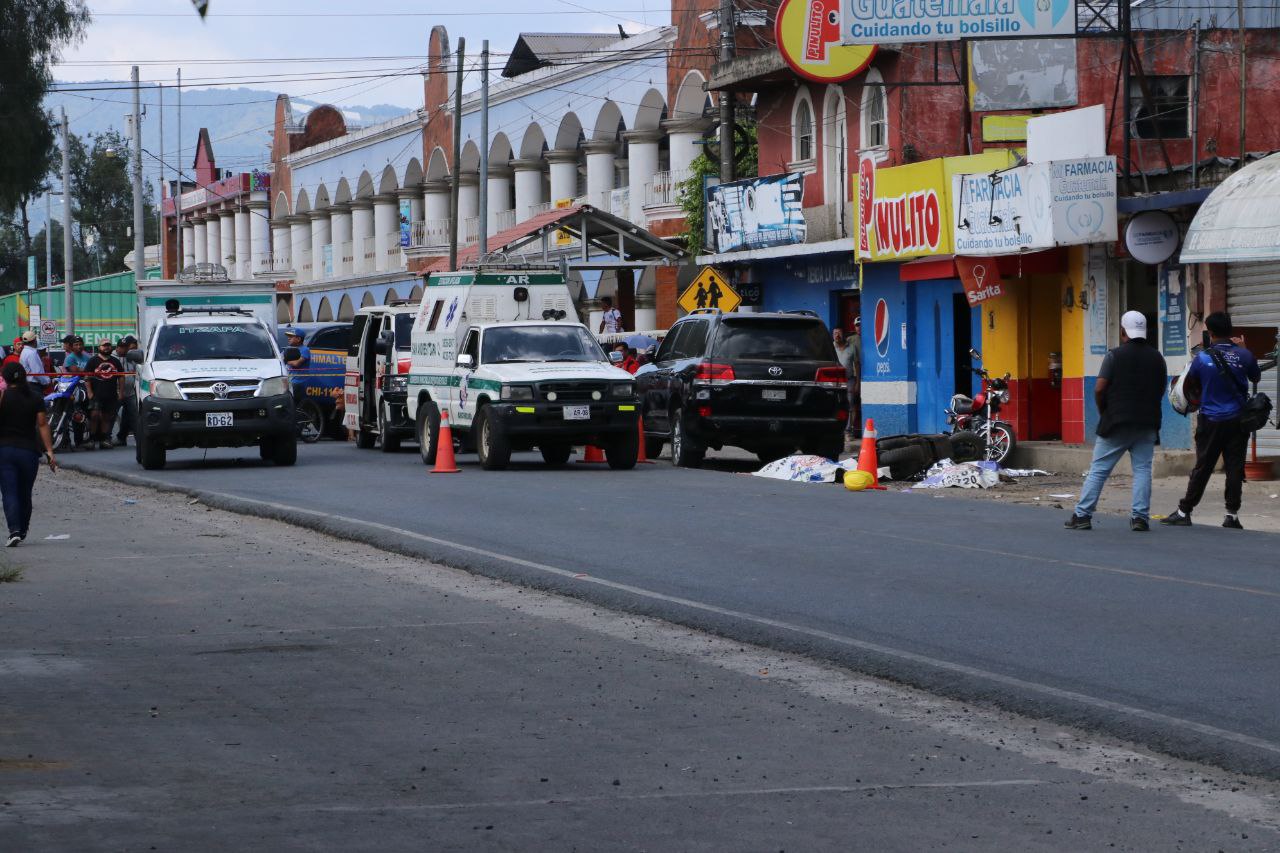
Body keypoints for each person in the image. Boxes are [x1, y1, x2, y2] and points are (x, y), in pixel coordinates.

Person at [1065, 311, 1168, 532]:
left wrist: (1105, 412)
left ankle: (1082, 515)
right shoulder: (1157, 357)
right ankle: (1140, 518)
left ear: (1123, 331)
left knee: (1099, 470)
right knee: (1142, 470)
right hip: (1147, 422)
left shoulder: (1114, 356)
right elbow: (1160, 389)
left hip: (1116, 422)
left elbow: (1100, 388)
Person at [1162, 311, 1261, 529]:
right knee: (1235, 467)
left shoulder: (1203, 358)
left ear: (1211, 333)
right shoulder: (1244, 356)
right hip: (1237, 422)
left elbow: (1190, 386)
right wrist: (1244, 350)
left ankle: (1184, 511)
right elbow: (1255, 376)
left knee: (1203, 466)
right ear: (1231, 330)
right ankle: (1232, 515)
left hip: (1211, 421)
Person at [0, 362, 58, 547]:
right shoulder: (35, 398)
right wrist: (49, 451)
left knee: (9, 491)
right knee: (25, 493)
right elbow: (42, 425)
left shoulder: (2, 396)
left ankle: (14, 530)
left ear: (5, 379)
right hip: (29, 451)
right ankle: (23, 530)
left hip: (4, 451)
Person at [84, 338, 123, 450]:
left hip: (110, 394)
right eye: (104, 345)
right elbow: (87, 377)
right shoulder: (92, 361)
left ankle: (104, 439)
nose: (106, 347)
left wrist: (120, 392)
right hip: (96, 394)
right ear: (99, 347)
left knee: (107, 417)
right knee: (94, 415)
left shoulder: (115, 361)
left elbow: (121, 377)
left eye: (108, 345)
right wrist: (89, 392)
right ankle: (91, 439)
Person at [834, 320, 863, 439]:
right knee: (835, 405)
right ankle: (836, 431)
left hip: (849, 380)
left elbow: (856, 365)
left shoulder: (851, 347)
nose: (837, 335)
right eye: (835, 333)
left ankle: (848, 431)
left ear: (843, 334)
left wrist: (857, 382)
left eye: (839, 333)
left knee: (850, 405)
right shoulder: (831, 347)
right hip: (834, 381)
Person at [115, 337, 138, 445]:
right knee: (111, 416)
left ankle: (125, 438)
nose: (124, 350)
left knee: (132, 416)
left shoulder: (133, 359)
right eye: (122, 347)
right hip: (116, 392)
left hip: (131, 393)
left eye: (126, 348)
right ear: (117, 348)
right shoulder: (113, 358)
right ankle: (105, 439)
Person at [17, 331, 50, 397]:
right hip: (33, 385)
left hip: (28, 384)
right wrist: (46, 382)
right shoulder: (31, 353)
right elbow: (37, 373)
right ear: (34, 340)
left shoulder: (25, 351)